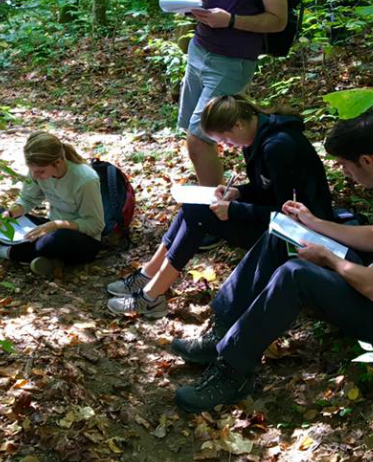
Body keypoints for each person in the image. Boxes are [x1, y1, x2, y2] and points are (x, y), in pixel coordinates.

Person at [170, 110, 373, 413]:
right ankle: (222, 330)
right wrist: (312, 223)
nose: (343, 173)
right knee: (285, 235)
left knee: (296, 275)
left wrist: (327, 257)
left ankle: (232, 372)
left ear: (366, 161)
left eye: (344, 165)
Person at [106, 95, 334, 318]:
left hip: (300, 237)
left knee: (198, 216)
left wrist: (234, 209)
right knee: (192, 208)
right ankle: (149, 275)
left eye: (226, 140)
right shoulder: (255, 137)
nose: (227, 146)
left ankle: (151, 298)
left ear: (237, 125)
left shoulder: (278, 147)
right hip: (276, 222)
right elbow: (265, 188)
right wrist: (238, 192)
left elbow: (287, 214)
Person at [178, 0, 288, 188]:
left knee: (199, 138)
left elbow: (278, 20)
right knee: (192, 128)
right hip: (199, 49)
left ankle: (214, 212)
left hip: (233, 61)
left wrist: (230, 21)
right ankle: (217, 199)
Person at [0, 132, 105, 278]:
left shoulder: (85, 180)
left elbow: (95, 225)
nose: (35, 176)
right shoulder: (38, 170)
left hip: (81, 238)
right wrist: (8, 214)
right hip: (51, 226)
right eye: (32, 171)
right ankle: (50, 260)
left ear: (58, 162)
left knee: (49, 242)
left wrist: (56, 225)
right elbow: (27, 200)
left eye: (40, 171)